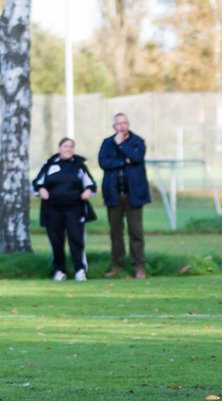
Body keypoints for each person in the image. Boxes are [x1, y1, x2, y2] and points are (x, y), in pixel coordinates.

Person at [32, 138, 97, 281]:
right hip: (53, 209)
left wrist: (88, 192)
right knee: (56, 240)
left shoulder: (79, 166)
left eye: (71, 146)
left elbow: (91, 185)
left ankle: (80, 270)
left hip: (75, 209)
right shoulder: (49, 165)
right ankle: (59, 270)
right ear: (59, 148)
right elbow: (36, 183)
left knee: (76, 239)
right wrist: (41, 189)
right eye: (65, 146)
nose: (68, 149)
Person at [97, 113, 150, 279]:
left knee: (136, 232)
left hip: (133, 195)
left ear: (129, 124)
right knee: (116, 233)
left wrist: (121, 146)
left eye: (124, 123)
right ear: (114, 127)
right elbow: (104, 163)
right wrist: (123, 161)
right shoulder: (107, 143)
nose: (122, 126)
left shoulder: (137, 142)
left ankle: (139, 266)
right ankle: (117, 265)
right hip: (114, 195)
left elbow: (136, 157)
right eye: (118, 124)